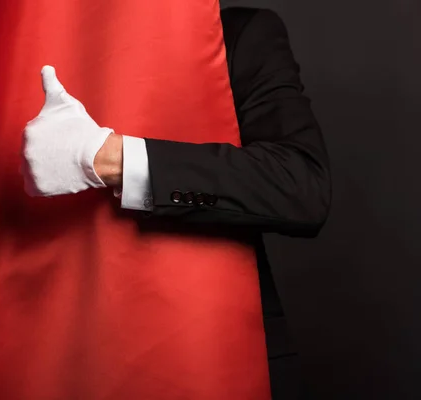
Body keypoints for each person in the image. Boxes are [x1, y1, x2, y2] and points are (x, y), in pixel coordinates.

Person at [22, 6, 331, 399]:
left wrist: (111, 157)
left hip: (216, 352)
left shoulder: (237, 32)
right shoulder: (24, 42)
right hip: (57, 351)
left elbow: (301, 186)